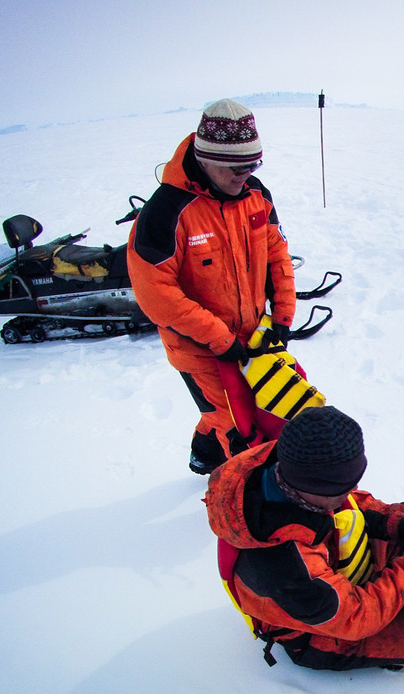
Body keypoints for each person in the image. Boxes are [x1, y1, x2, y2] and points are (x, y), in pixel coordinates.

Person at [207, 406, 404, 672]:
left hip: (335, 566)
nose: (354, 490)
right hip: (321, 635)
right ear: (317, 489)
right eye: (345, 487)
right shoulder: (284, 566)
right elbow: (357, 617)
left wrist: (399, 524)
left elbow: (350, 505)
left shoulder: (285, 468)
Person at [128, 98, 297, 475]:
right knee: (238, 428)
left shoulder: (255, 194)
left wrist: (283, 315)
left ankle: (203, 454)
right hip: (197, 347)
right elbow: (157, 296)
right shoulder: (165, 212)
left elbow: (277, 254)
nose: (246, 175)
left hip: (251, 335)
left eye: (253, 164)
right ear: (206, 159)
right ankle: (241, 499)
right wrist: (219, 338)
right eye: (236, 167)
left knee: (247, 404)